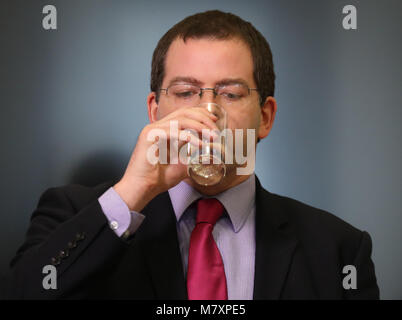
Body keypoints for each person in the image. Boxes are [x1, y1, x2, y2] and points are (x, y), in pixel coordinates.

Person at [5, 10, 379, 300]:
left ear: (265, 117)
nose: (206, 114)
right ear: (155, 112)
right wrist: (132, 192)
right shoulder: (74, 211)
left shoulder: (337, 248)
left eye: (230, 94)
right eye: (186, 92)